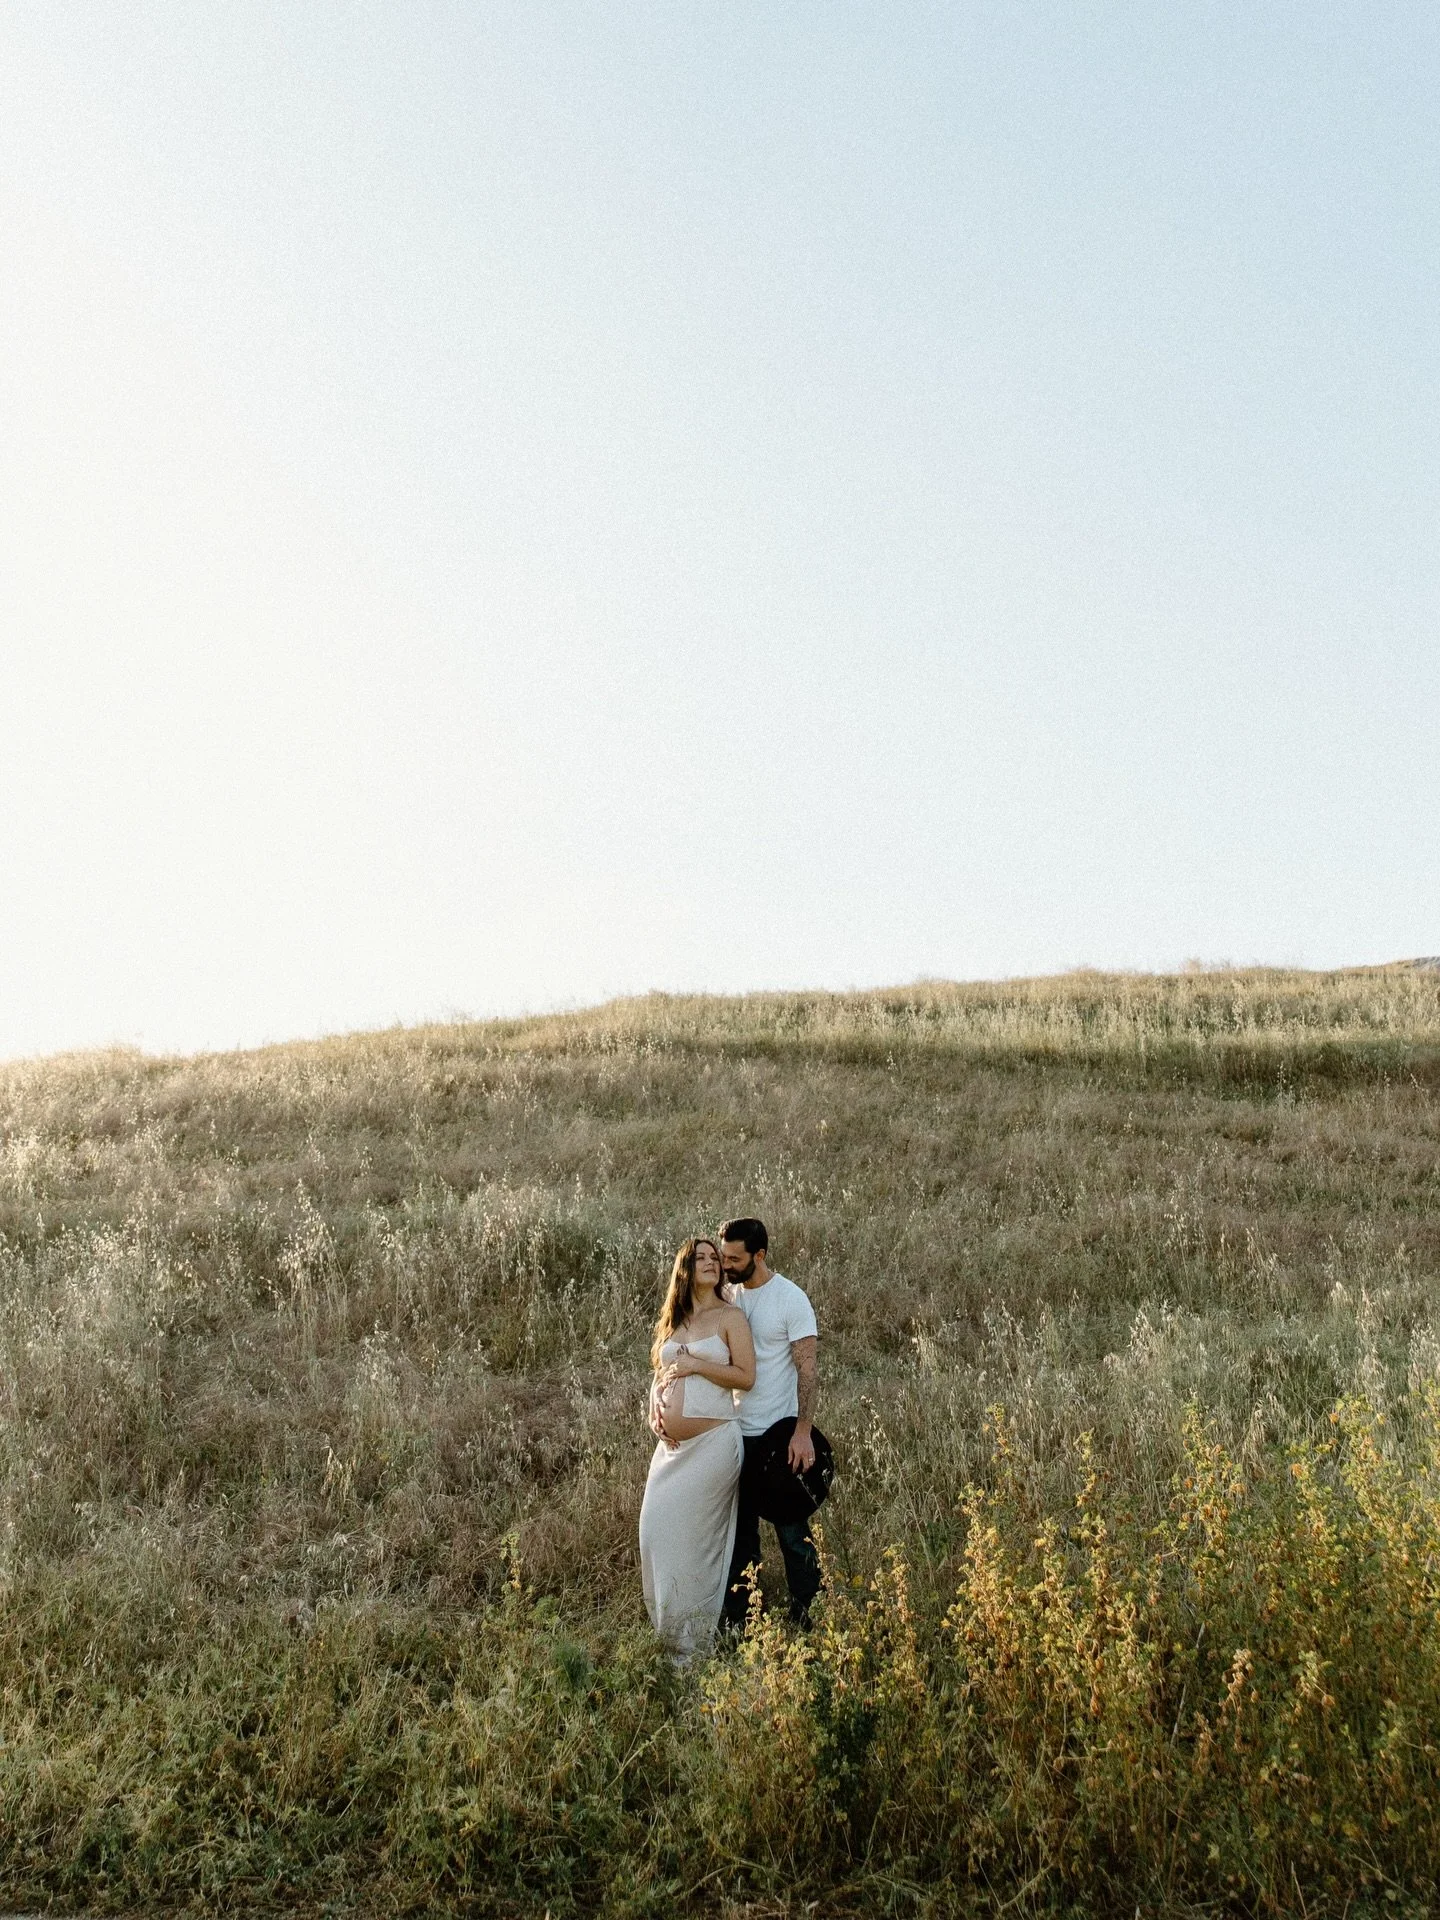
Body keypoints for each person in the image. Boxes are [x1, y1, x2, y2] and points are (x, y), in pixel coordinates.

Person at [638, 1236, 756, 1660]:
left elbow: (745, 1377)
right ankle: (667, 1637)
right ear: (685, 1268)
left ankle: (692, 1648)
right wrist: (655, 1404)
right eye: (701, 1258)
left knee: (694, 1548)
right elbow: (662, 1370)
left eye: (715, 1258)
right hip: (670, 1453)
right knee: (654, 1536)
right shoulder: (677, 1320)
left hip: (713, 1447)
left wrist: (694, 1364)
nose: (711, 1263)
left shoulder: (730, 1317)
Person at [716, 1217, 822, 1628]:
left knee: (792, 1534)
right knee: (740, 1537)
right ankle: (743, 1620)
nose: (726, 1264)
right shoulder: (728, 1296)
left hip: (779, 1436)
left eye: (734, 1258)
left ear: (758, 1256)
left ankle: (809, 1612)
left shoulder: (790, 1299)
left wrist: (802, 1432)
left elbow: (808, 1370)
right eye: (723, 1256)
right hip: (733, 1434)